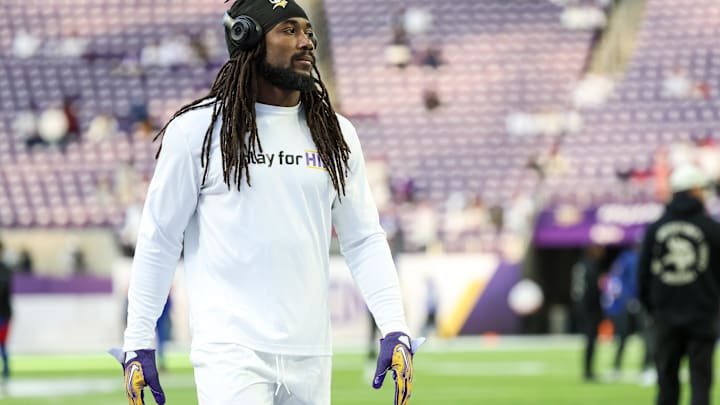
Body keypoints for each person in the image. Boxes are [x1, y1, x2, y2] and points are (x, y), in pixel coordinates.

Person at [115, 1, 421, 404]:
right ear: (249, 40)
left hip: (311, 354)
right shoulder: (196, 132)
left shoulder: (336, 133)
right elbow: (159, 240)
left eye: (308, 32)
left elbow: (363, 238)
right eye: (289, 30)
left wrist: (394, 327)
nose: (306, 42)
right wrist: (138, 341)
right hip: (230, 352)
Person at [637, 164, 720, 405]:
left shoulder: (655, 229)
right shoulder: (712, 229)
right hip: (702, 317)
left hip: (664, 318)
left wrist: (652, 309)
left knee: (666, 384)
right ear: (695, 190)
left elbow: (643, 276)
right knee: (701, 383)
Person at [603, 242, 655, 383]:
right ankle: (617, 368)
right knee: (623, 337)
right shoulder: (628, 258)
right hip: (628, 304)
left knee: (647, 338)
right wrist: (627, 300)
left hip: (640, 304)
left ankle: (646, 368)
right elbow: (617, 281)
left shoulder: (647, 258)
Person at [571, 244, 605, 381]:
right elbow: (592, 290)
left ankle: (588, 370)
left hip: (581, 306)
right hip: (589, 308)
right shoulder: (590, 266)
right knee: (591, 340)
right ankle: (588, 371)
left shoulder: (580, 265)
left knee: (589, 340)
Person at [0, 242, 12, 380]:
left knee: (1, 342)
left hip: (3, 312)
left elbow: (3, 289)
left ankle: (6, 368)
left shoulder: (5, 270)